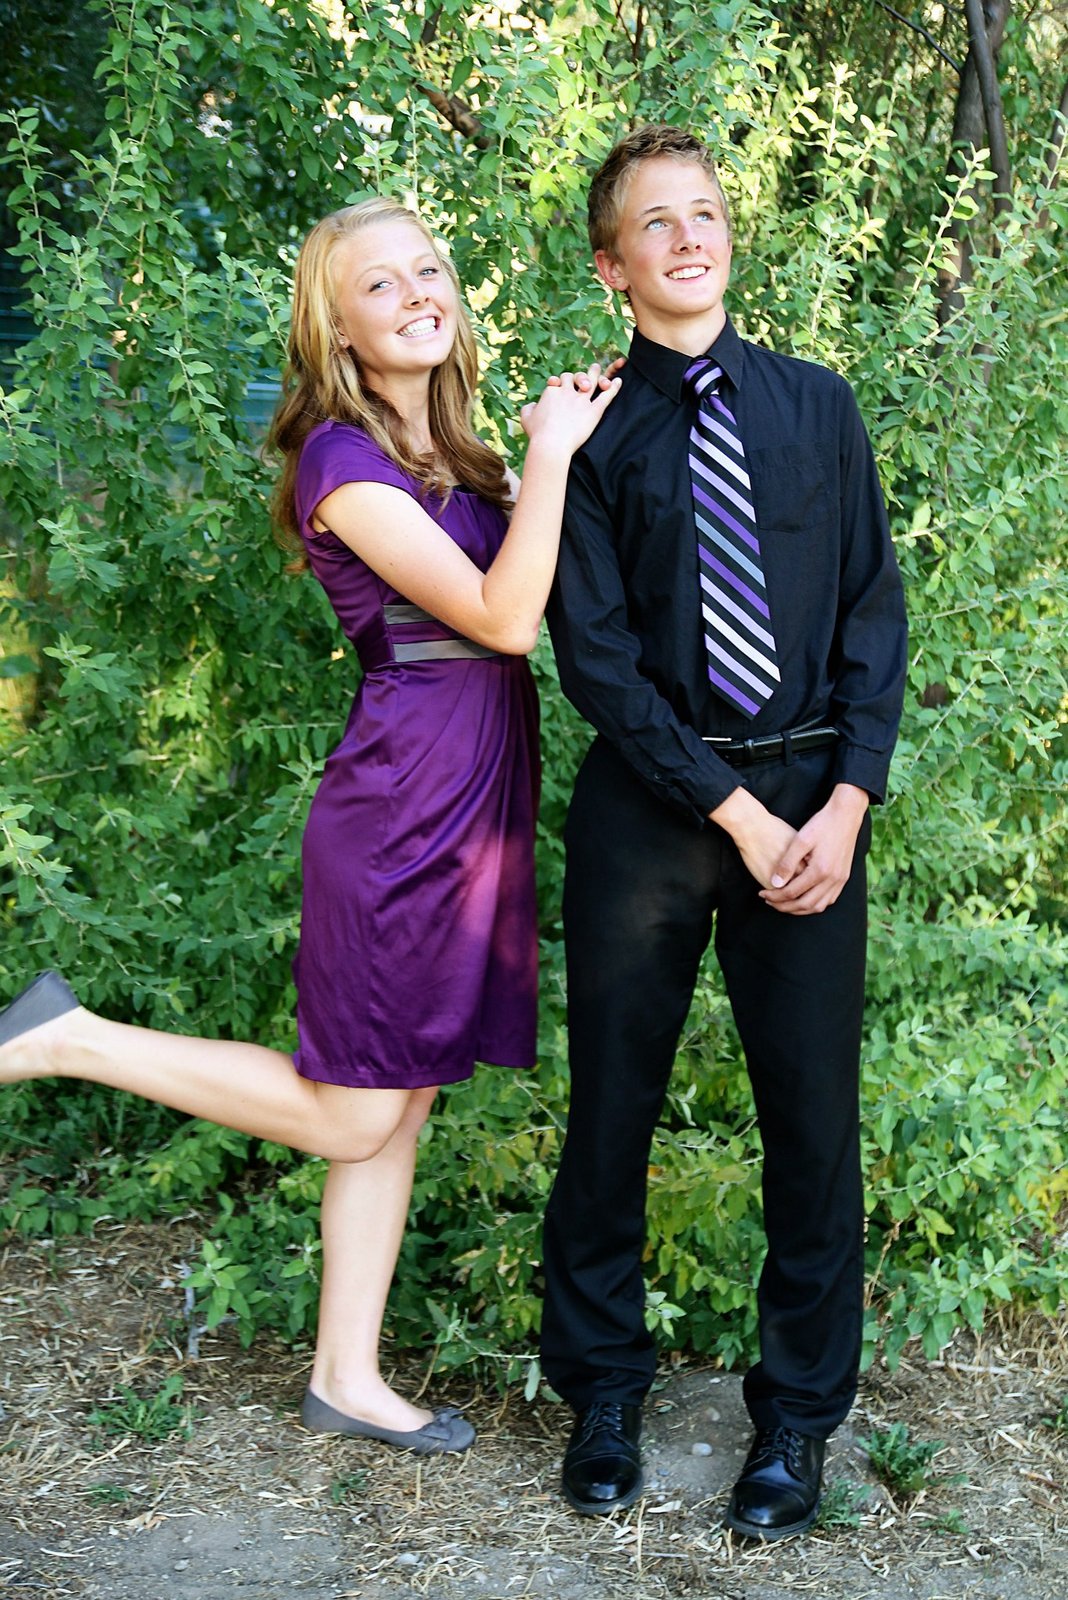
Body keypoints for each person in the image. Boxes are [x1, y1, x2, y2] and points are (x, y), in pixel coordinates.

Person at [0, 198, 619, 1456]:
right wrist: (554, 456)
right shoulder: (343, 463)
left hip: (471, 807)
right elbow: (505, 619)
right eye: (379, 284)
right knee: (352, 1111)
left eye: (428, 268)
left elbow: (537, 574)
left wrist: (554, 444)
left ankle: (346, 1375)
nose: (417, 292)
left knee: (403, 1102)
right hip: (401, 814)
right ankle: (70, 1037)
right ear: (336, 330)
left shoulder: (456, 456)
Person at [540, 125, 907, 1538]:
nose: (689, 237)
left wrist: (848, 801)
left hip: (814, 811)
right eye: (657, 221)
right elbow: (596, 658)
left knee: (812, 1120)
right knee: (611, 1110)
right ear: (611, 264)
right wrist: (736, 814)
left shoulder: (818, 406)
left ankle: (797, 1417)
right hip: (654, 809)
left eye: (705, 213)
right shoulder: (590, 434)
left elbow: (872, 610)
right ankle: (603, 1391)